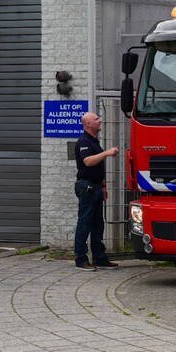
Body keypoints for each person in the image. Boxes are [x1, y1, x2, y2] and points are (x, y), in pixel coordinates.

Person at [73, 112, 119, 271]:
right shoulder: (83, 141)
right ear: (88, 125)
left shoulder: (93, 141)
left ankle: (100, 258)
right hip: (87, 187)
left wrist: (104, 186)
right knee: (84, 223)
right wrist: (107, 153)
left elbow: (99, 167)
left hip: (96, 186)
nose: (100, 121)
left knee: (98, 224)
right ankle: (81, 259)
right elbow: (88, 161)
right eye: (96, 119)